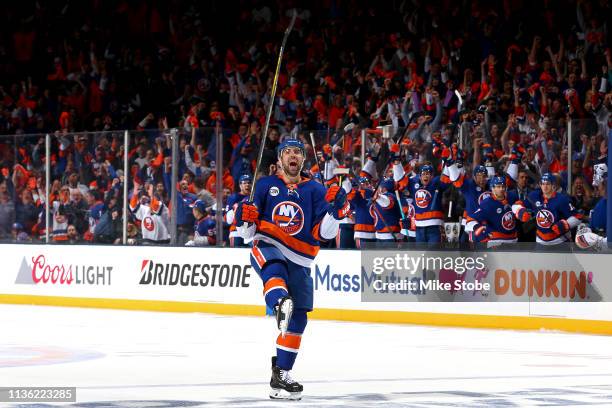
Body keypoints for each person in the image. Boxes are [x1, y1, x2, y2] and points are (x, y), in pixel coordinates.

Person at [234, 139, 349, 400]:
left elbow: (324, 234)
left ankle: (281, 375)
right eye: (288, 152)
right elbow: (247, 234)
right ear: (280, 159)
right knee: (275, 269)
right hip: (268, 245)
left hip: (302, 259)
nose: (293, 156)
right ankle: (278, 303)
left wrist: (336, 212)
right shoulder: (265, 185)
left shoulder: (316, 190)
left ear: (303, 159)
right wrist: (245, 218)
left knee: (299, 318)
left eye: (298, 151)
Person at [524, 173, 582, 246]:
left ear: (553, 186)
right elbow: (519, 204)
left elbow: (578, 217)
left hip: (560, 242)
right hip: (540, 242)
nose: (545, 187)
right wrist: (520, 211)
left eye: (548, 184)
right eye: (543, 184)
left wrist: (565, 225)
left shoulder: (562, 199)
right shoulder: (534, 196)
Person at [471, 176, 531, 245]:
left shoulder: (512, 196)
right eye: (498, 187)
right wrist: (477, 227)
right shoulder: (487, 203)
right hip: (496, 240)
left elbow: (517, 205)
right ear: (493, 188)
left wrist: (521, 211)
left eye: (503, 186)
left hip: (513, 239)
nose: (501, 189)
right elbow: (472, 219)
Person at [225, 174, 252, 247]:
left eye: (249, 182)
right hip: (236, 231)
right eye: (244, 183)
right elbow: (228, 220)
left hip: (250, 232)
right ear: (240, 185)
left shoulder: (254, 197)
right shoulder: (233, 198)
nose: (247, 185)